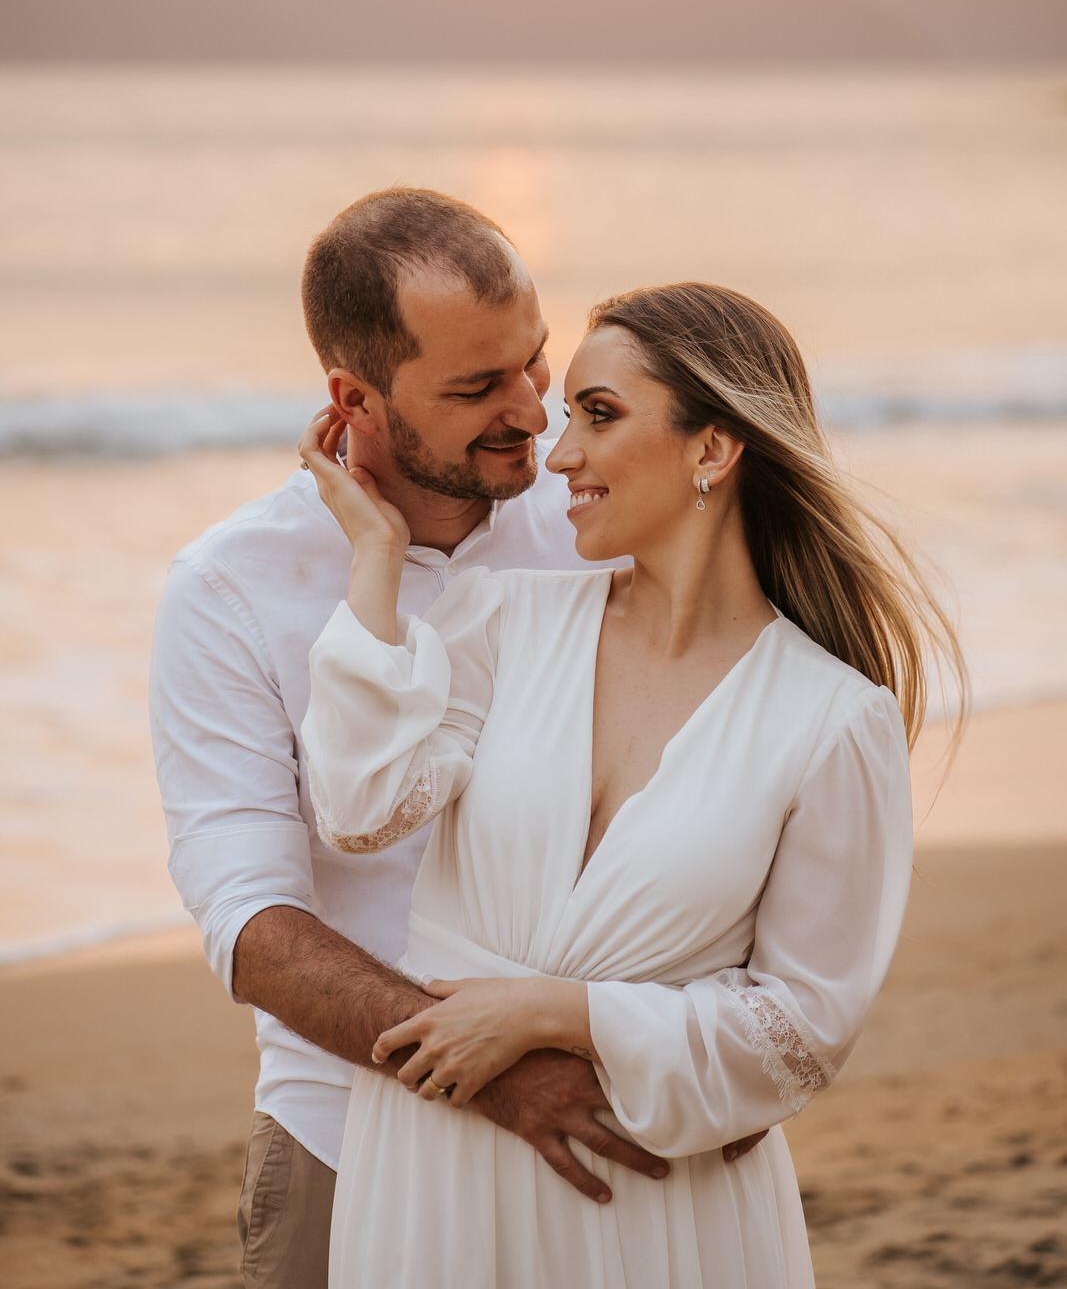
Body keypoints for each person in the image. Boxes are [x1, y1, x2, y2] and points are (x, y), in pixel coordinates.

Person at [299, 280, 968, 1288]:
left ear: (712, 447)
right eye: (567, 416)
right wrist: (376, 557)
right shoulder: (501, 621)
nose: (559, 454)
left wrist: (558, 1013)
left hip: (655, 1205)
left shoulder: (832, 720)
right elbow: (359, 810)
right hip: (433, 1175)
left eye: (598, 416)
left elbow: (799, 1034)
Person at [152, 190, 760, 1289]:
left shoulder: (601, 520)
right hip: (347, 1125)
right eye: (477, 387)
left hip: (620, 1114)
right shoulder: (226, 590)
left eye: (534, 362)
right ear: (355, 399)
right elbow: (249, 919)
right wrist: (490, 1071)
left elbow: (740, 752)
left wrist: (730, 1046)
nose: (533, 413)